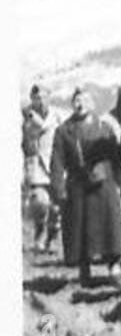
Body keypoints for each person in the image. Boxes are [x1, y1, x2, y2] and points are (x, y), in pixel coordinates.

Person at [49, 87, 121, 284]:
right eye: (77, 100)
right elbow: (57, 162)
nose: (80, 104)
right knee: (80, 229)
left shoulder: (104, 127)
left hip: (105, 184)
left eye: (85, 100)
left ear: (92, 104)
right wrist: (58, 189)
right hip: (78, 186)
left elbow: (116, 159)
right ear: (72, 104)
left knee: (111, 228)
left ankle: (114, 268)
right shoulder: (63, 131)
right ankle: (84, 270)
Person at [21, 84, 62, 253]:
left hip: (55, 163)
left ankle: (51, 238)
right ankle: (39, 232)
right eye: (37, 98)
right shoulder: (25, 115)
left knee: (56, 206)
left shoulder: (57, 115)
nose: (41, 101)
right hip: (36, 164)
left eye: (44, 97)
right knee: (39, 201)